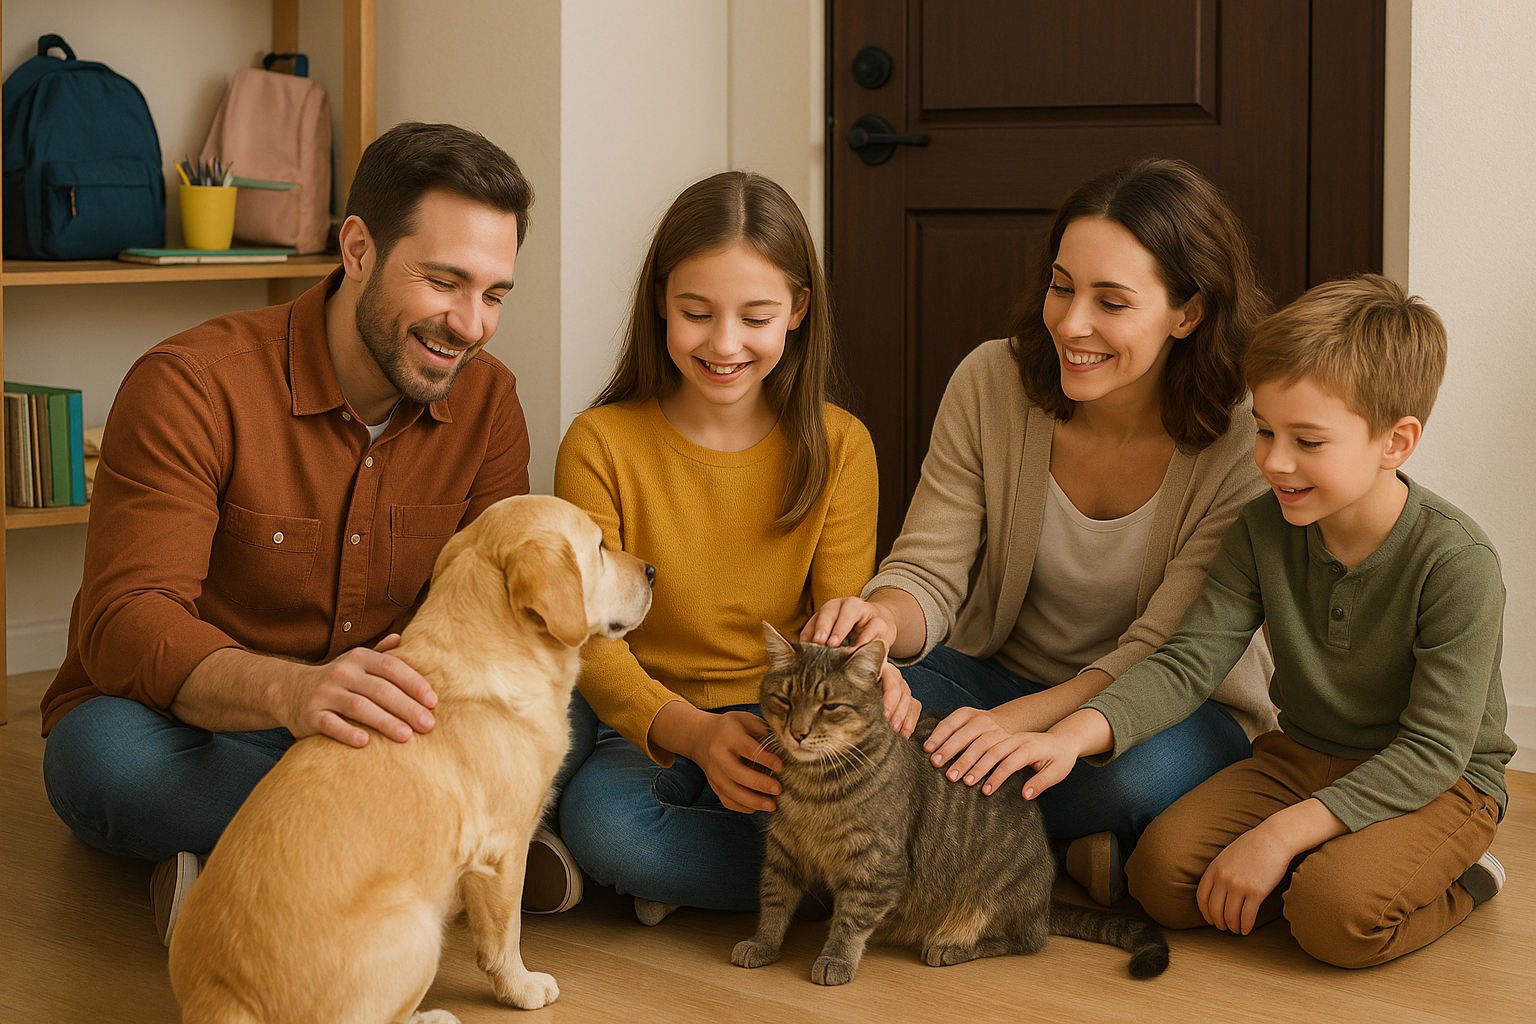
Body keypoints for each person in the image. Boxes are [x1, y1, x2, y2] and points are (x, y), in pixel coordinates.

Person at [39, 121, 536, 945]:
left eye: (494, 295)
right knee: (101, 759)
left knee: (566, 722)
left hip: (381, 730)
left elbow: (494, 616)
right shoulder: (191, 386)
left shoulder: (489, 403)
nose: (471, 324)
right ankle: (438, 857)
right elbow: (124, 620)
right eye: (445, 282)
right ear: (358, 249)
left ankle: (258, 870)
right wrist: (293, 692)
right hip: (200, 724)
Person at [990, 275, 1514, 967]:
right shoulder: (1262, 529)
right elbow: (1187, 663)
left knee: (1333, 920)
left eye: (1308, 441)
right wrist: (1068, 737)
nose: (1274, 461)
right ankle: (1317, 866)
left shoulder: (1457, 562)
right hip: (1303, 756)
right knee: (1159, 881)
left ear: (1396, 442)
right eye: (1265, 431)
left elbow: (1434, 750)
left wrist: (1279, 835)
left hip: (1439, 780)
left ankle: (1464, 877)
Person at [804, 157, 1280, 906]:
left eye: (1111, 302)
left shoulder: (1247, 438)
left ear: (1187, 312)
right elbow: (928, 570)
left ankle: (954, 850)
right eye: (1062, 287)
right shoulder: (990, 381)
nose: (1071, 324)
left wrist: (1007, 730)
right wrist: (881, 623)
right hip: (996, 675)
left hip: (1172, 705)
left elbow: (1161, 650)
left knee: (1131, 778)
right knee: (852, 717)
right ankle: (1058, 852)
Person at [551, 170, 915, 925]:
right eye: (696, 313)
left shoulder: (842, 444)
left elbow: (837, 627)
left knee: (862, 801)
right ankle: (835, 886)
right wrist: (693, 732)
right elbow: (593, 640)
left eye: (756, 317)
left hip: (790, 721)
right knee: (607, 826)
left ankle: (743, 881)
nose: (724, 344)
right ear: (661, 302)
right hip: (656, 715)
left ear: (798, 311)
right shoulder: (599, 442)